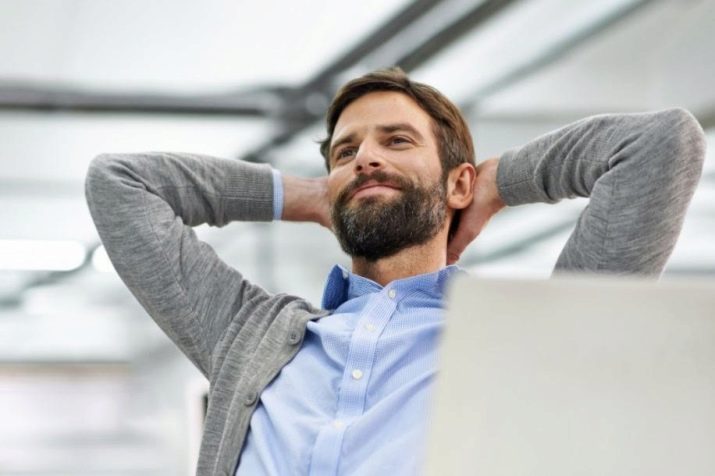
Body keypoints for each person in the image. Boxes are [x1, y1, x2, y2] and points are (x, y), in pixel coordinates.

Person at [85, 68, 705, 476]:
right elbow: (120, 184)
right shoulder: (249, 338)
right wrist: (309, 195)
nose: (366, 157)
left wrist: (495, 184)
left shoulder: (534, 342)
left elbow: (661, 146)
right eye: (346, 151)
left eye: (397, 141)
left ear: (457, 183)